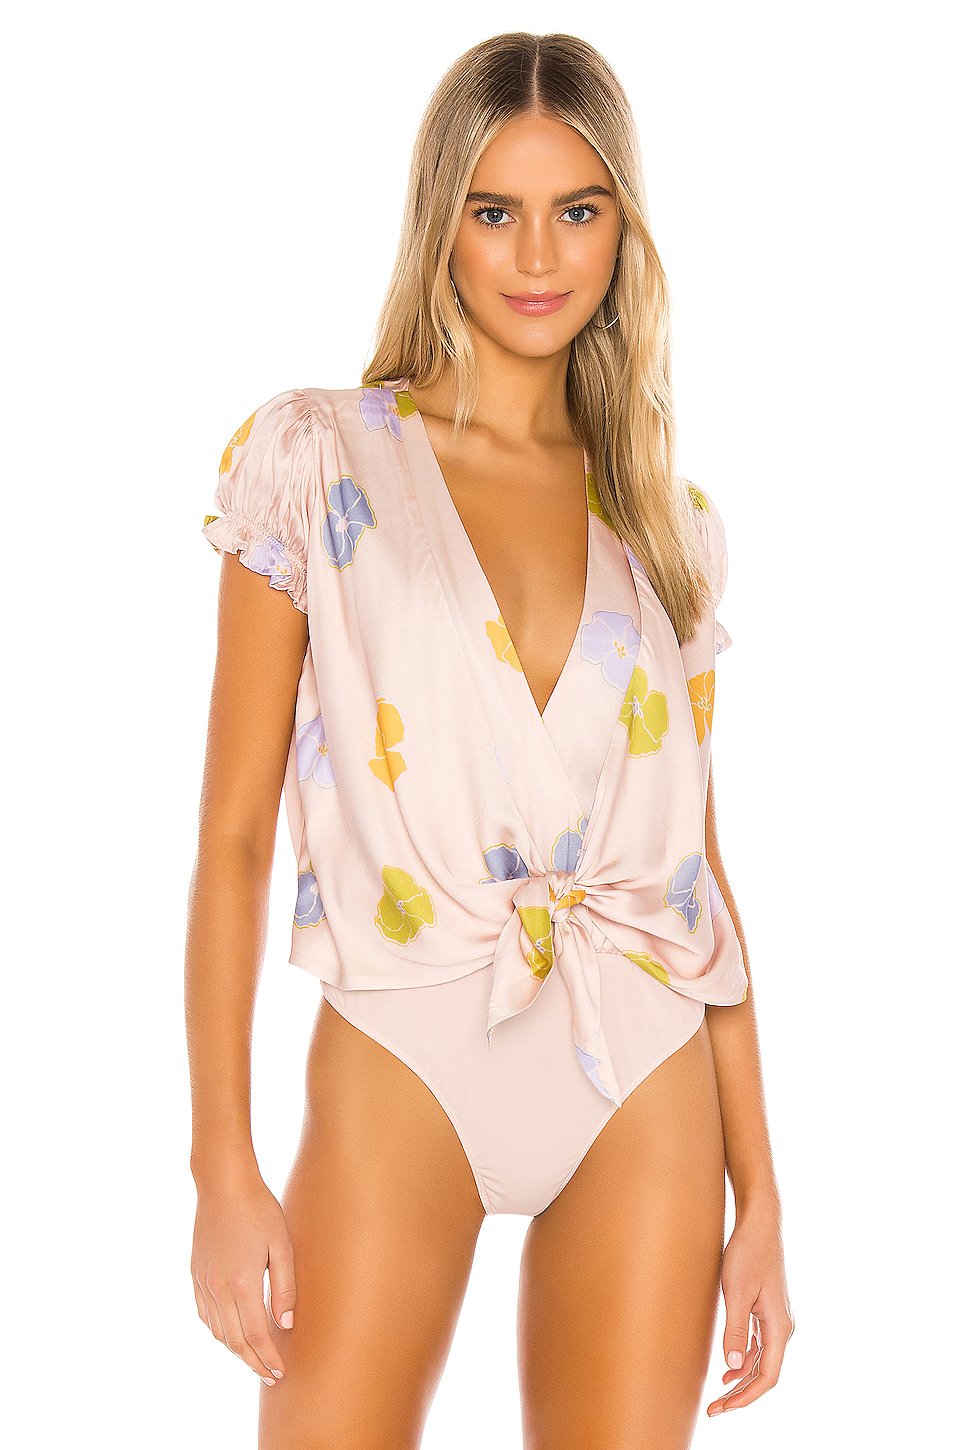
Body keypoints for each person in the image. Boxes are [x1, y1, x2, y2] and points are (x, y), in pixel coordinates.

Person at [186, 31, 794, 1450]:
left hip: (642, 1068)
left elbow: (695, 878)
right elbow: (232, 833)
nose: (536, 255)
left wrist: (761, 1191)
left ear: (622, 231)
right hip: (405, 1043)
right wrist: (221, 1160)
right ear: (439, 222)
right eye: (494, 210)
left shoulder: (667, 528)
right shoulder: (318, 459)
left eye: (577, 209)